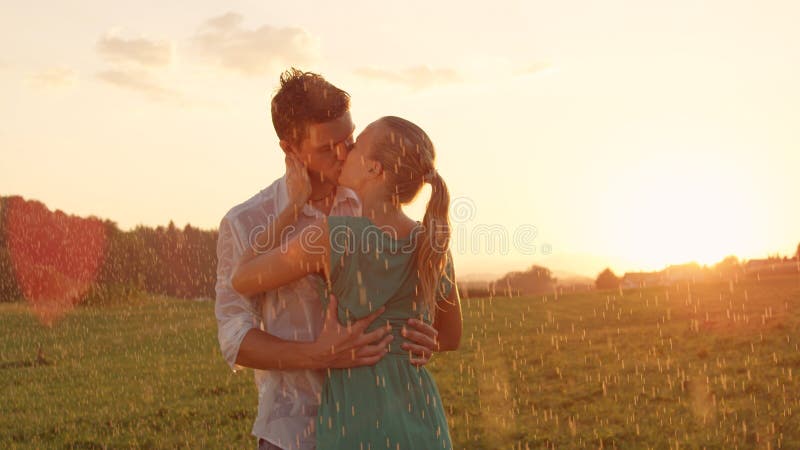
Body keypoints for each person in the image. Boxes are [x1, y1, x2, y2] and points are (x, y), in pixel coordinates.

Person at [214, 69, 443, 450]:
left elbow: (413, 297)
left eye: (349, 140)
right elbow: (235, 339)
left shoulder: (372, 204)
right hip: (293, 432)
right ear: (289, 149)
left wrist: (425, 335)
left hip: (376, 426)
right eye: (327, 148)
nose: (344, 154)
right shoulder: (245, 222)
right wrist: (320, 355)